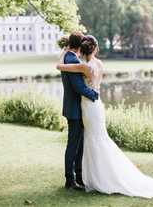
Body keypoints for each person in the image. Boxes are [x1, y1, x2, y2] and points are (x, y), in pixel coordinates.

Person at [57, 35, 153, 198]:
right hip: (96, 106)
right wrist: (94, 93)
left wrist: (63, 53)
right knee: (95, 140)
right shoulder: (98, 64)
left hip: (89, 105)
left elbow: (60, 68)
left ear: (83, 49)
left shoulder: (83, 66)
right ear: (96, 48)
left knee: (92, 141)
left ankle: (89, 177)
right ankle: (87, 176)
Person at [59, 32, 99, 190]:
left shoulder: (67, 57)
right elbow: (78, 87)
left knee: (78, 144)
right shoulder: (72, 59)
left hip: (74, 107)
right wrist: (94, 94)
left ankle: (78, 177)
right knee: (73, 145)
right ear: (79, 44)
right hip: (74, 109)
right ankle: (70, 180)